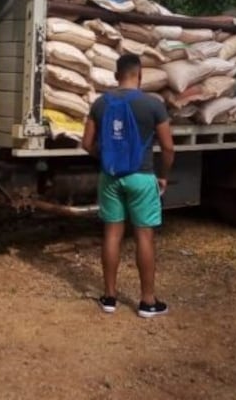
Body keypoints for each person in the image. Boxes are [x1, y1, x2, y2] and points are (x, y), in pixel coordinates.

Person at [81, 53, 175, 318]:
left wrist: (109, 158)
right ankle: (147, 302)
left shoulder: (100, 104)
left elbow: (87, 143)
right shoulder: (153, 104)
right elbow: (168, 147)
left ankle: (109, 297)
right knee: (144, 236)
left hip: (110, 177)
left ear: (115, 75)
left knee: (112, 234)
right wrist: (163, 174)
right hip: (142, 176)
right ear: (140, 75)